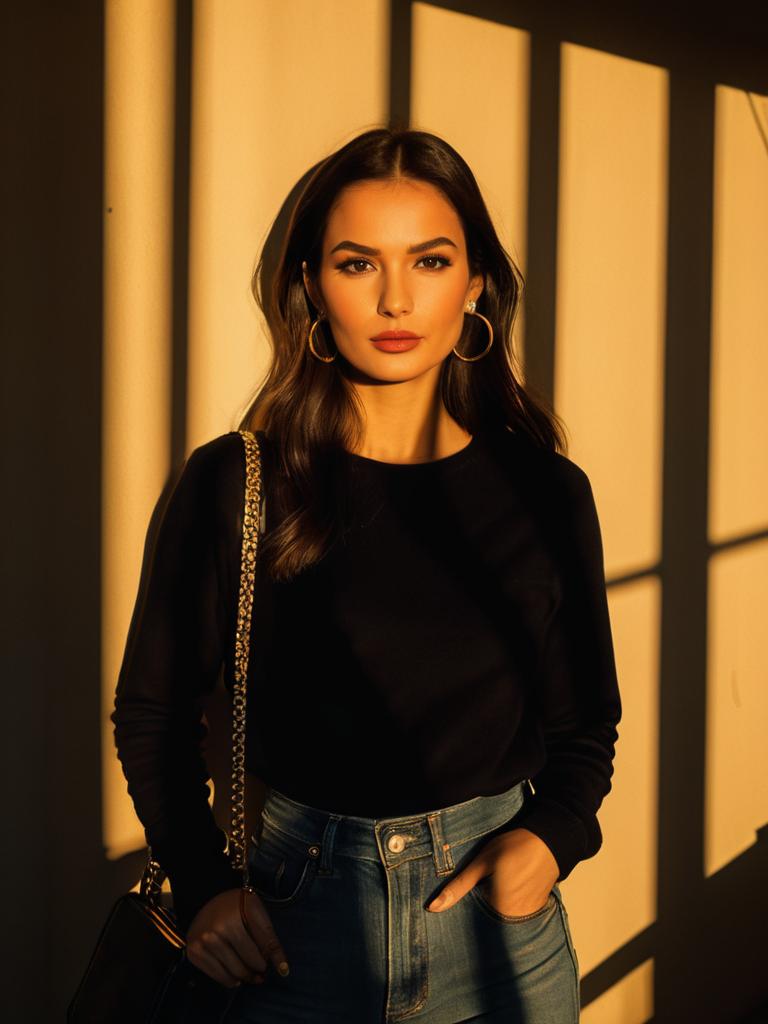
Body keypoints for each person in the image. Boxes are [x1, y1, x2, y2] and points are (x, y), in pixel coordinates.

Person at [112, 126, 622, 1023]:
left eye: (429, 261)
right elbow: (152, 712)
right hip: (286, 932)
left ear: (475, 287)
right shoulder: (235, 482)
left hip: (497, 941)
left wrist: (554, 835)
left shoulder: (545, 491)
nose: (395, 299)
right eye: (357, 264)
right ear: (311, 287)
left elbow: (586, 724)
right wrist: (200, 885)